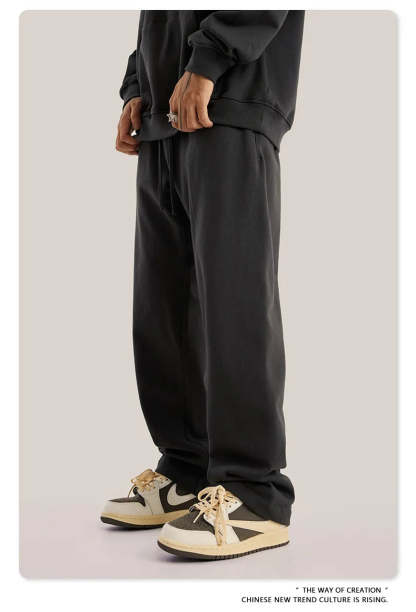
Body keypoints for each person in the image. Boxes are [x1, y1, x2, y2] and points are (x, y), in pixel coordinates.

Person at [101, 10, 304, 561]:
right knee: (162, 306)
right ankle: (188, 470)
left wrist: (210, 59)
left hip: (228, 100)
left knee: (234, 304)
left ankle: (254, 493)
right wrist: (138, 86)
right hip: (165, 112)